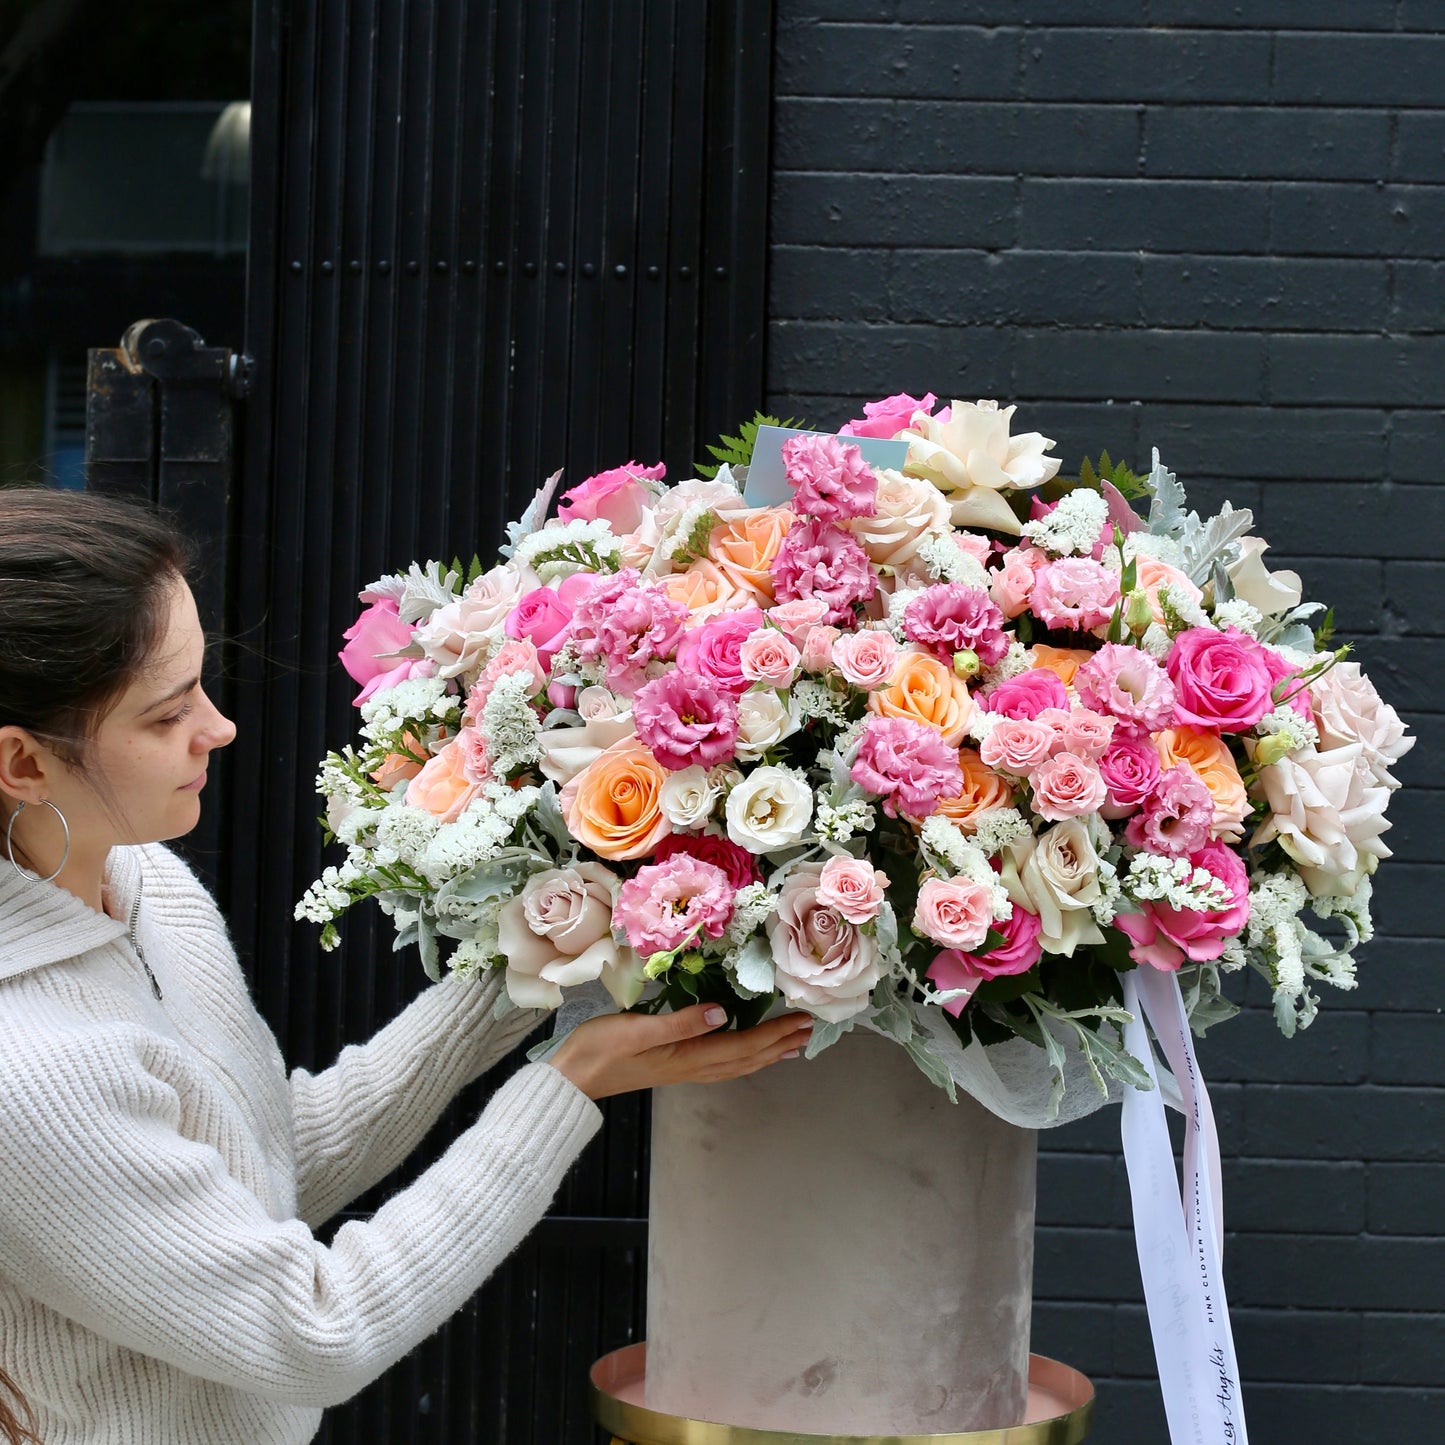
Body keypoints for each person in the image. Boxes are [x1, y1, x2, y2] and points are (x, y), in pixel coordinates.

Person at [0, 487, 812, 1445]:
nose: (216, 728)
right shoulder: (32, 1068)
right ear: (22, 761)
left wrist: (543, 937)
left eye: (203, 686)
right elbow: (314, 1326)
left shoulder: (144, 883)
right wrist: (568, 1085)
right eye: (167, 714)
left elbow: (260, 1160)